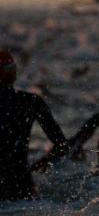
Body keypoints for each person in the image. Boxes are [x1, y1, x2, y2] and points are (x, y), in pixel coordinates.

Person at [0, 50, 69, 201]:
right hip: (22, 186)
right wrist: (41, 164)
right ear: (14, 73)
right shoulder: (31, 102)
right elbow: (62, 145)